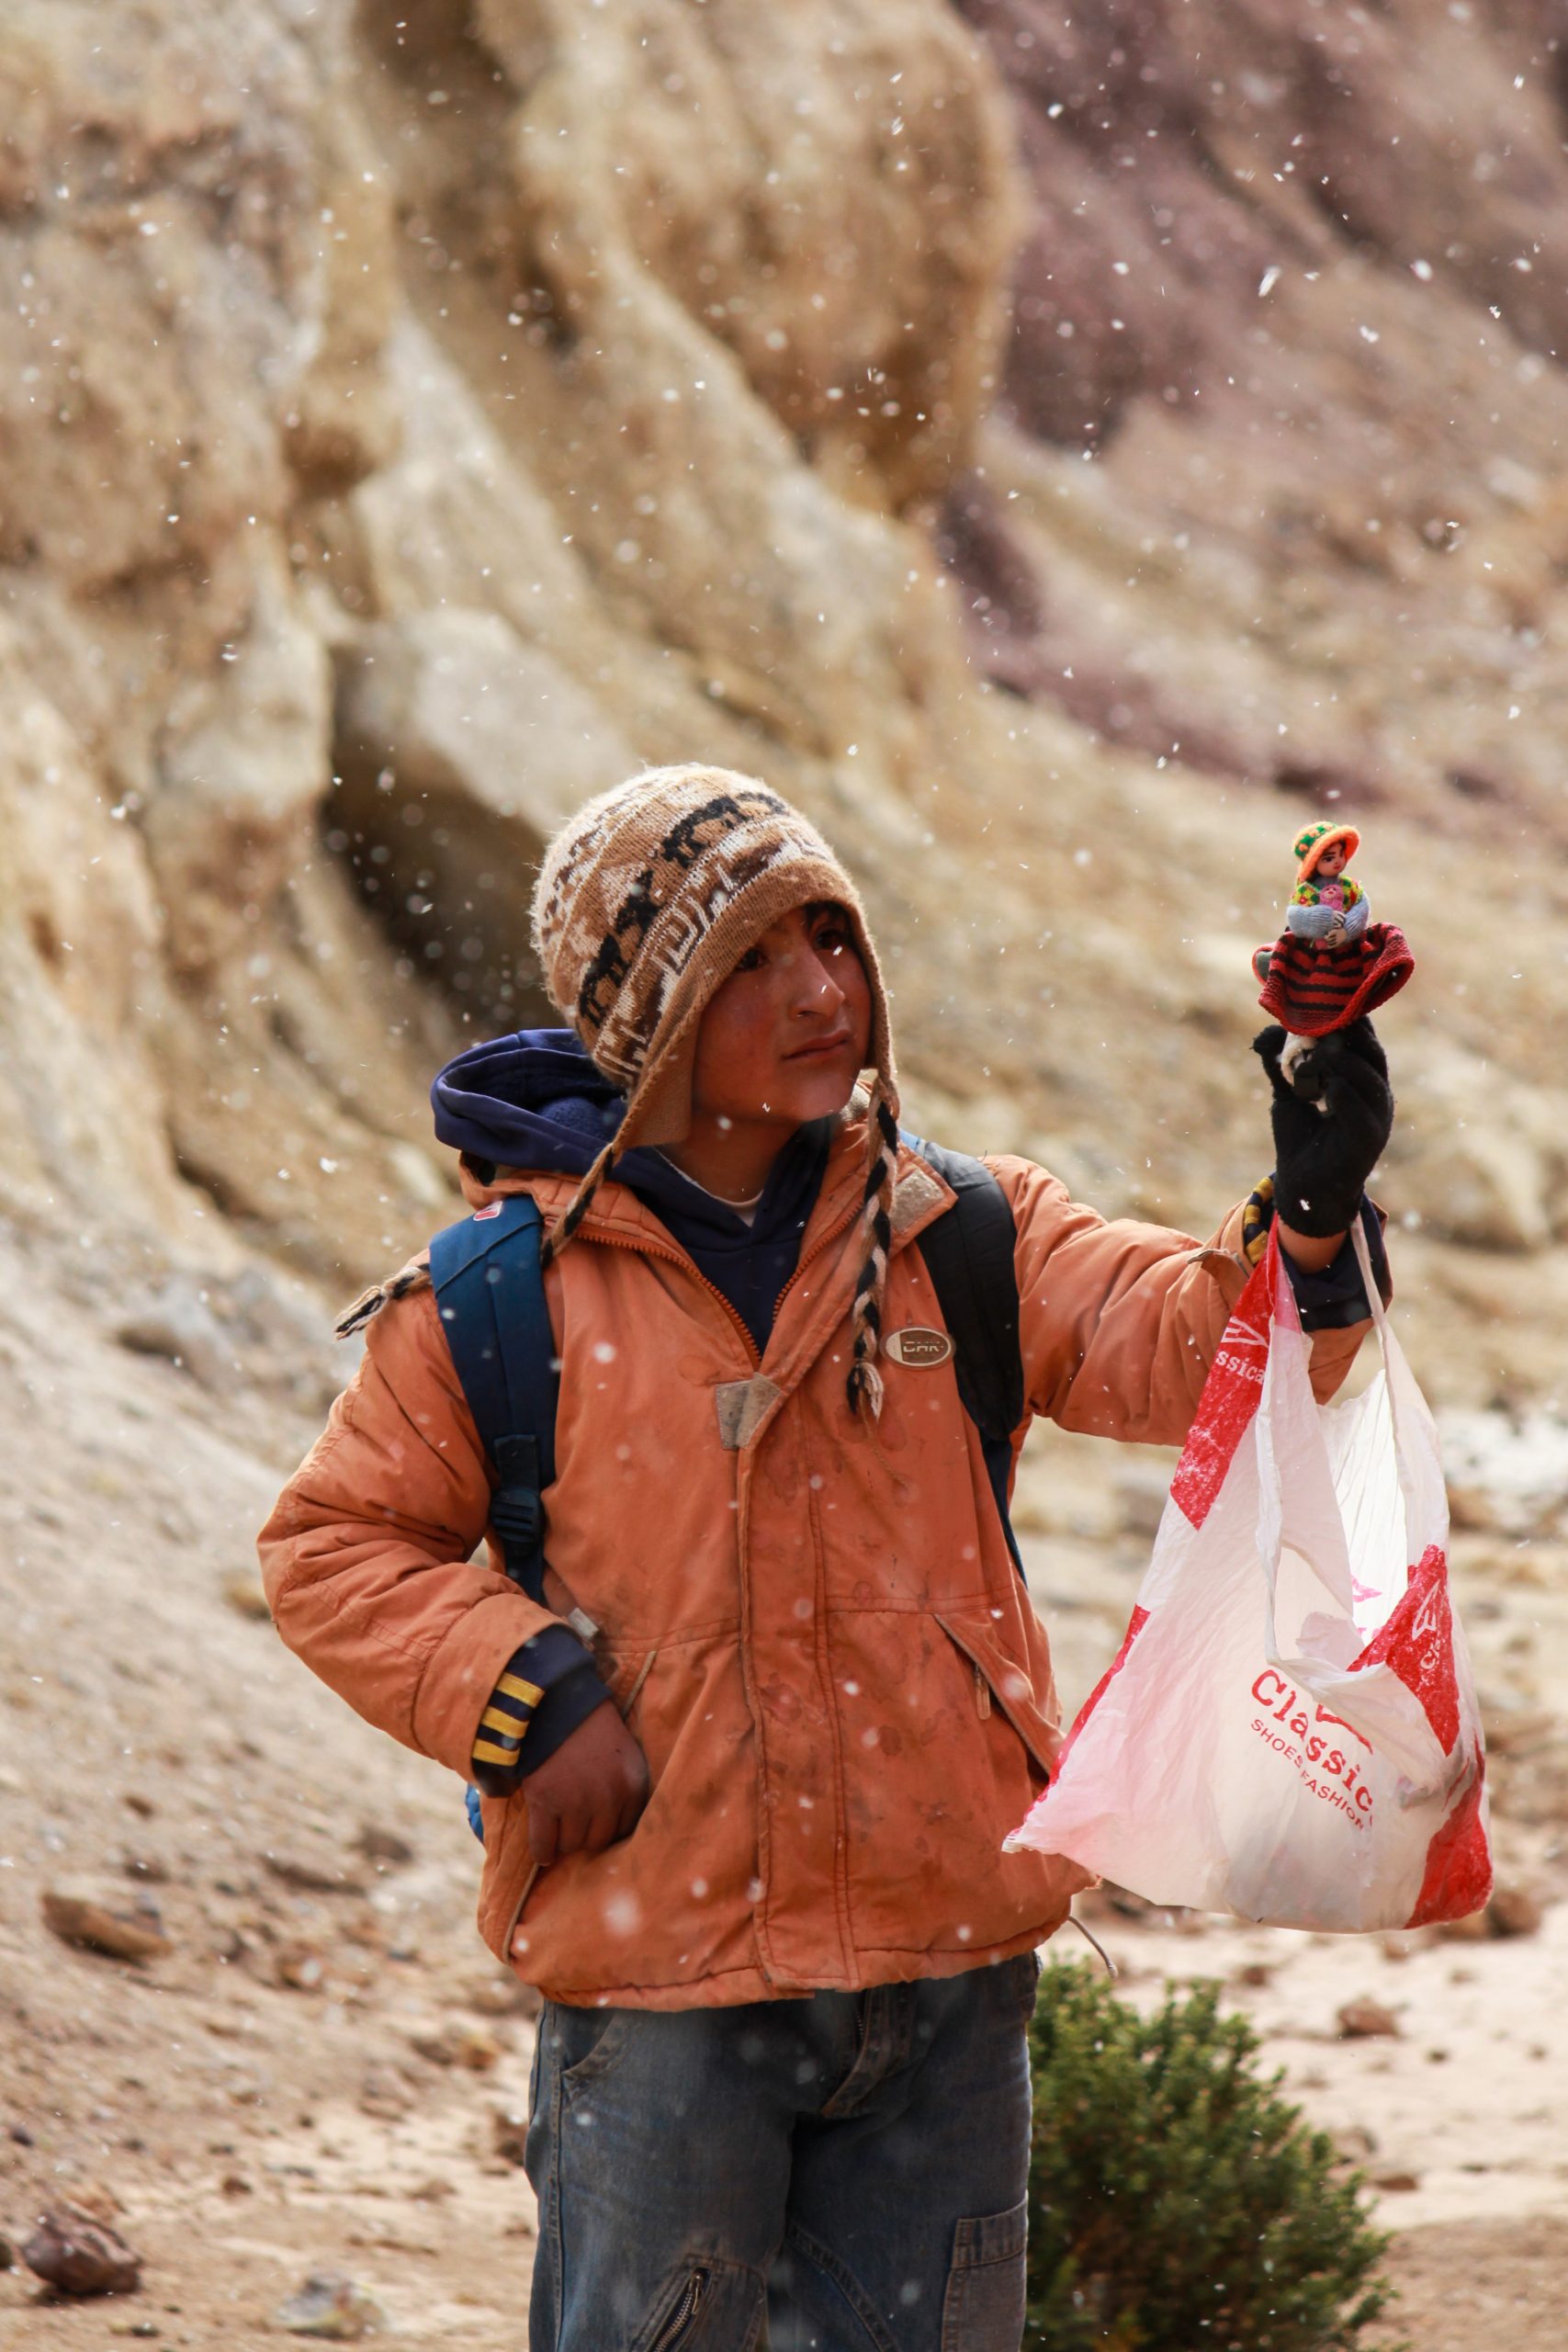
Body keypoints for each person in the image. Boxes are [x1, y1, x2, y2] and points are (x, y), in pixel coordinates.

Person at [259, 764, 1392, 2352]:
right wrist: (522, 1690)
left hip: (947, 1980)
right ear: (644, 1014)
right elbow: (330, 1546)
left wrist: (1313, 1217)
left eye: (833, 938)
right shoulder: (502, 1293)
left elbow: (1201, 1356)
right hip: (663, 1992)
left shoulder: (963, 1230)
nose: (818, 991)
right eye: (748, 959)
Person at [1285, 821, 1370, 956]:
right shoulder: (1307, 891)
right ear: (1314, 864)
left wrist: (1346, 930)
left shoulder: (1349, 886)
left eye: (1341, 854)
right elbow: (1294, 916)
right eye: (1329, 859)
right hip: (1313, 952)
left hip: (1348, 950)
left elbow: (1362, 908)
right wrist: (1323, 918)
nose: (1337, 861)